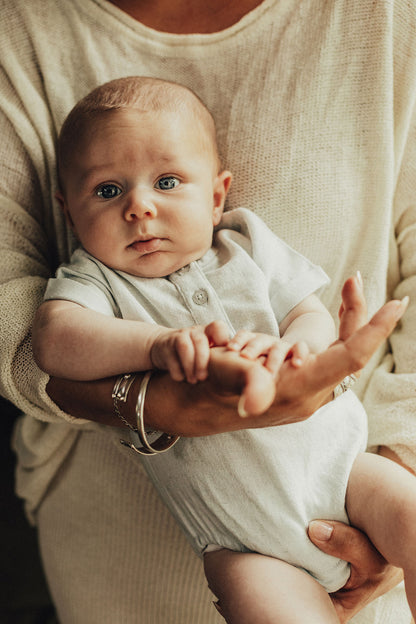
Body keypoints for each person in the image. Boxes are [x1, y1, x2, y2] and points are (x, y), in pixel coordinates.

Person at [1, 1, 415, 622]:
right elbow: (53, 340)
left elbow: (310, 310)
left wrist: (298, 349)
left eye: (167, 182)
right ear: (69, 209)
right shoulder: (94, 281)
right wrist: (154, 350)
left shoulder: (245, 243)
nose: (139, 208)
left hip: (346, 470)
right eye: (108, 191)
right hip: (237, 541)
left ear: (218, 193)